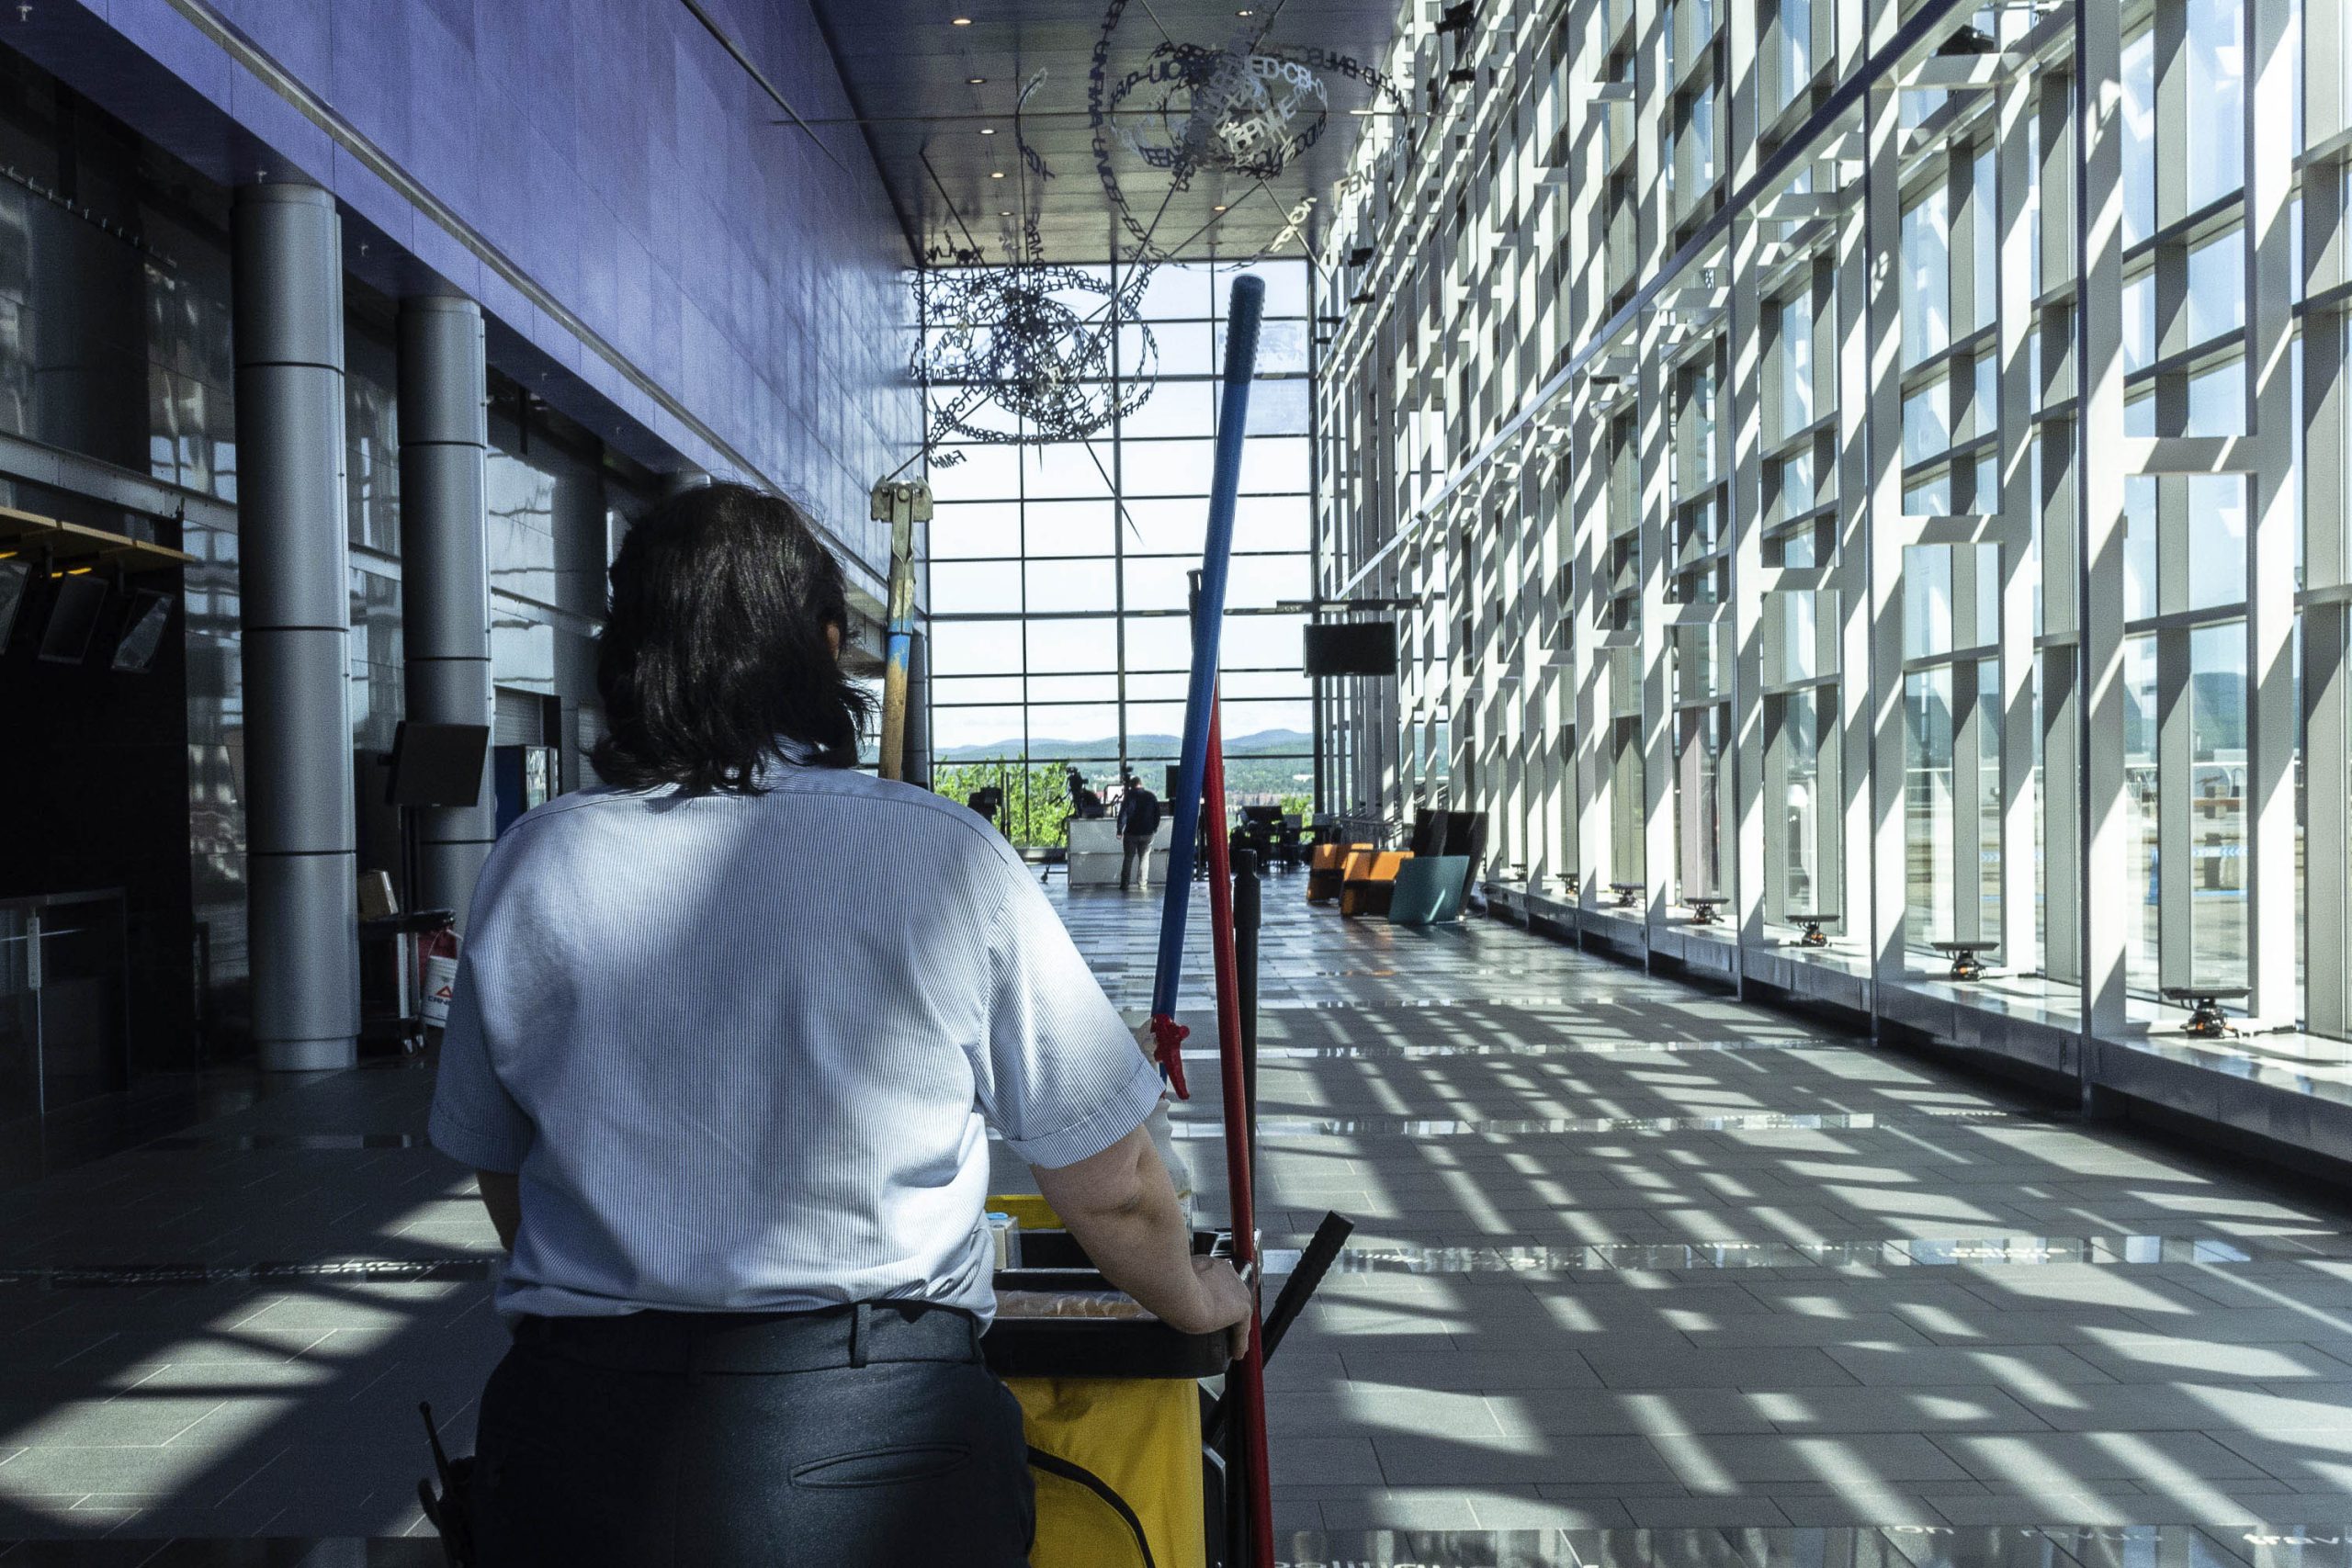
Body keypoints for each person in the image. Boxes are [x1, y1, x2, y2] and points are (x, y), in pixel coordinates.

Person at [428, 484, 1250, 1567]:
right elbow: (1114, 1181)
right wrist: (1200, 1300)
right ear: (820, 645)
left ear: (625, 653)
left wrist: (630, 1286)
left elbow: (501, 1163)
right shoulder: (942, 854)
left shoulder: (537, 859)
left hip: (580, 1441)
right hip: (877, 1443)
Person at [1115, 772, 1161, 892]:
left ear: (1131, 786)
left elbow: (1123, 814)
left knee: (1128, 858)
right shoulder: (1151, 796)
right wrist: (1154, 828)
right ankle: (1142, 884)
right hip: (1147, 833)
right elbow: (1157, 814)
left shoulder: (1129, 797)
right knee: (1144, 858)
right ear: (1141, 784)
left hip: (1131, 833)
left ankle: (1124, 884)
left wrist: (1120, 830)